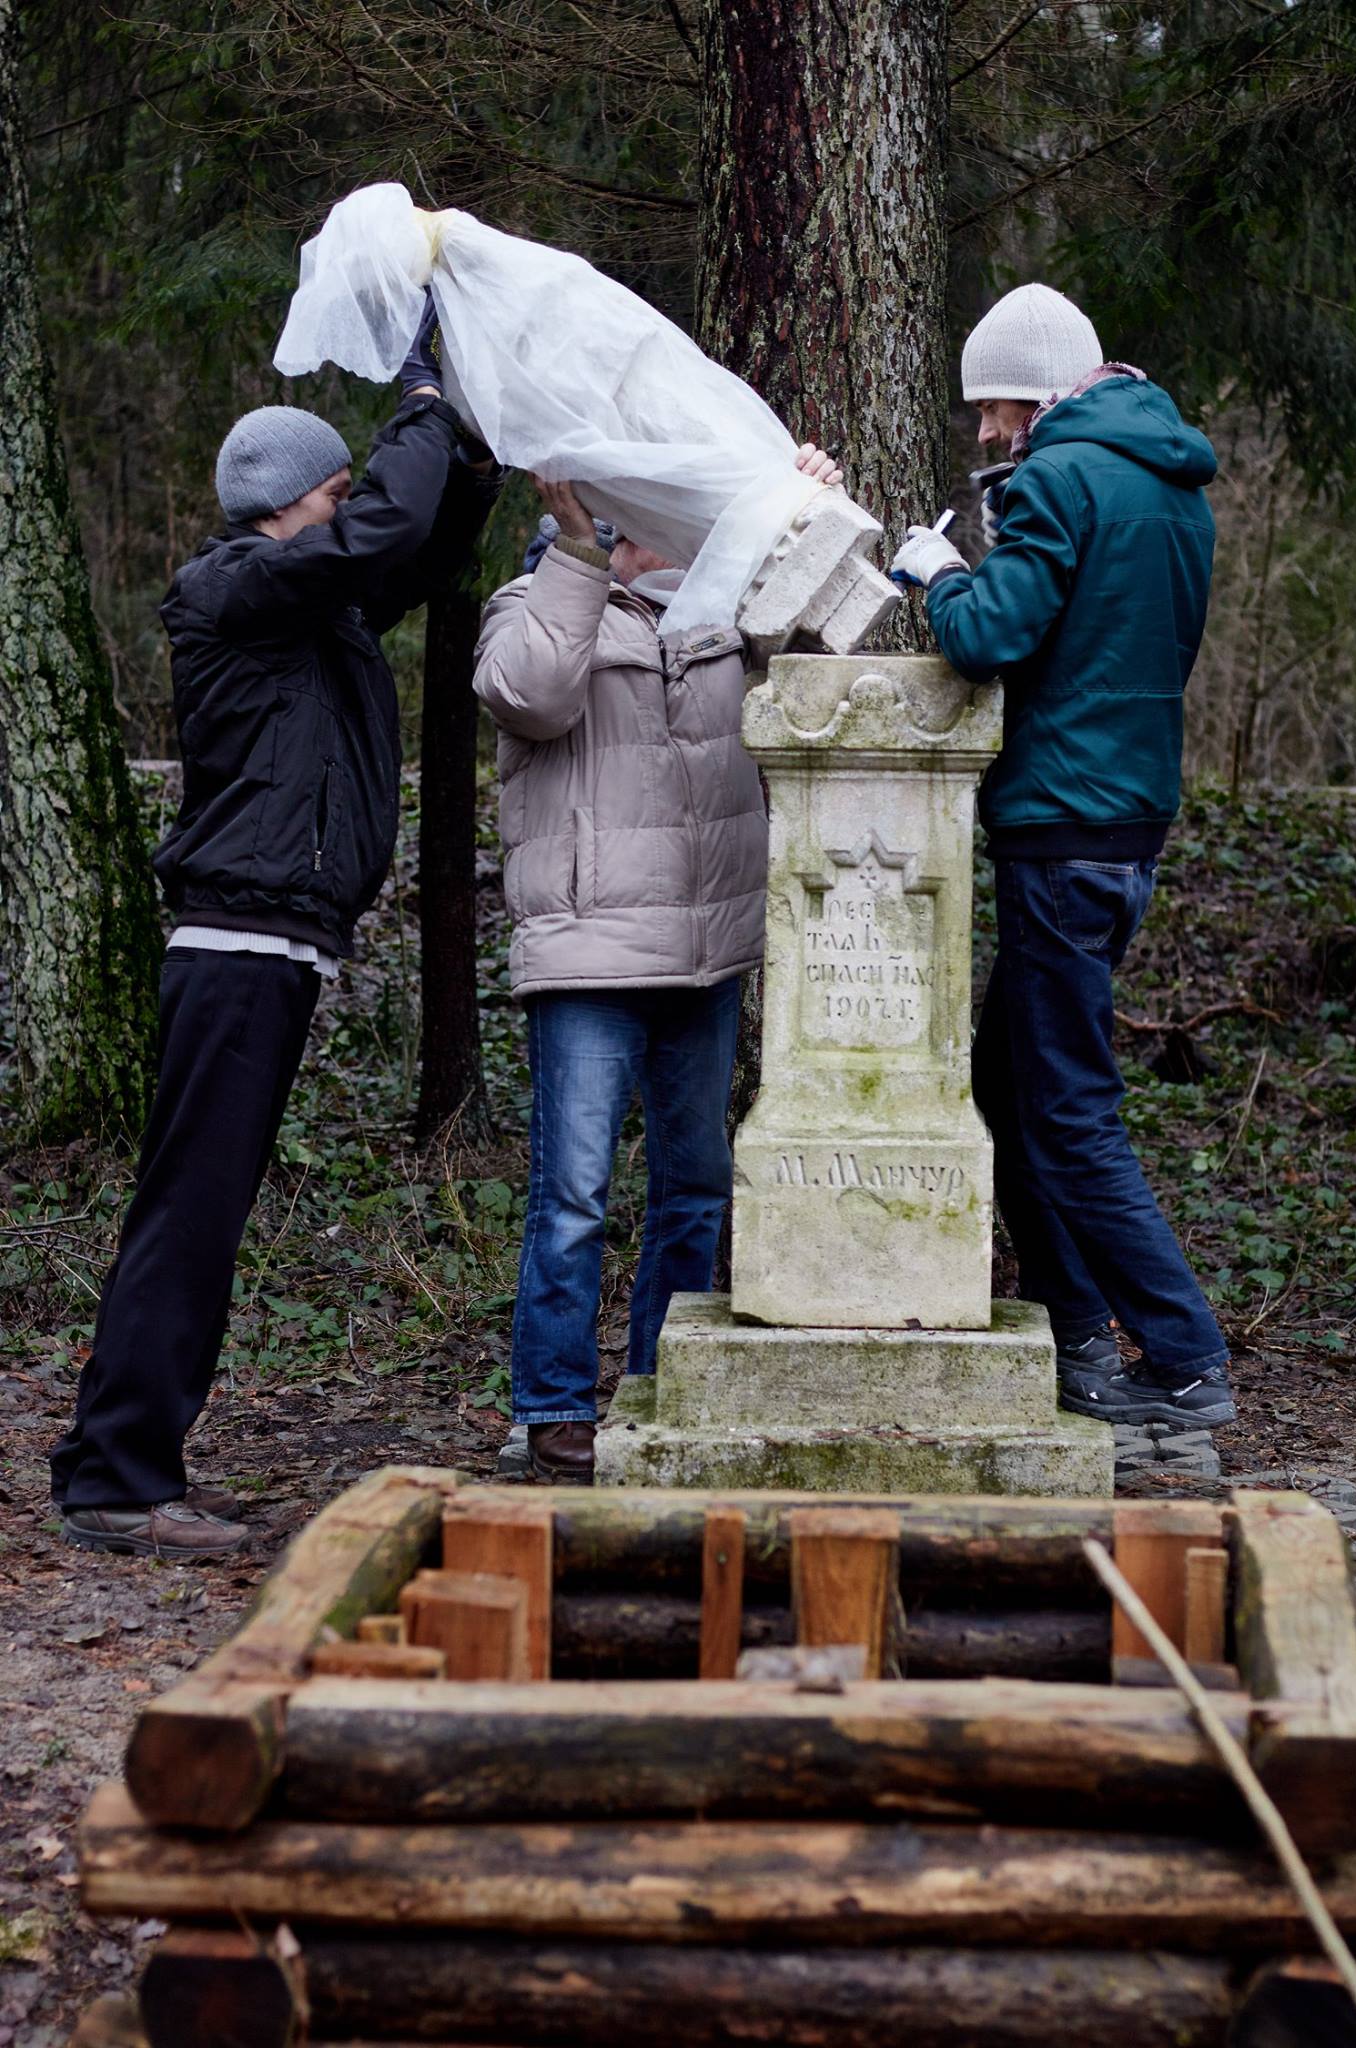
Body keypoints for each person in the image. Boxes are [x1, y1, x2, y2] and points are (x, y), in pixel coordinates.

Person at [49, 299, 502, 1559]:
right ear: (286, 501)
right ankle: (116, 1476)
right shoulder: (236, 584)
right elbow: (380, 534)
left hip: (269, 943)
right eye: (337, 489)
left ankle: (116, 1464)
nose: (352, 503)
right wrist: (418, 406)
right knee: (190, 1213)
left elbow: (412, 553)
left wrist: (467, 457)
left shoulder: (307, 604)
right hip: (237, 945)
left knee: (198, 1209)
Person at [892, 282, 1234, 1431]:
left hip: (1061, 829)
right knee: (1010, 1084)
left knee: (1070, 1110)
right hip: (1124, 825)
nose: (987, 430)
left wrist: (938, 572)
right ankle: (1075, 1329)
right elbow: (1099, 640)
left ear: (1042, 396)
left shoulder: (1057, 479)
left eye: (996, 407)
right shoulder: (1171, 486)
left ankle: (1182, 1357)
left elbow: (987, 636)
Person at [475, 445, 841, 1483]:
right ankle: (553, 1405)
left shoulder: (720, 618)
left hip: (703, 954)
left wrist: (799, 510)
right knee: (573, 1193)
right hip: (588, 954)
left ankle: (660, 1384)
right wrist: (576, 555)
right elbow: (532, 696)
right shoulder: (531, 605)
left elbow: (817, 652)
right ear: (615, 524)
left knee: (695, 1186)